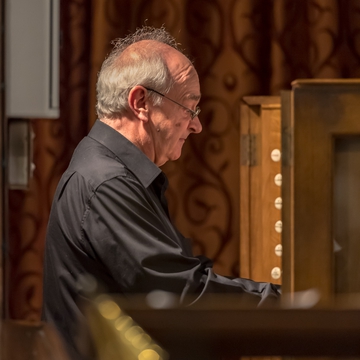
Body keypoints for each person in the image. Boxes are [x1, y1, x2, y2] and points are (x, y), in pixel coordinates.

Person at [42, 26, 280, 359]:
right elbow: (181, 293)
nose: (196, 125)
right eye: (189, 108)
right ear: (140, 102)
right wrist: (283, 302)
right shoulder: (106, 182)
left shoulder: (108, 170)